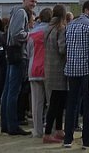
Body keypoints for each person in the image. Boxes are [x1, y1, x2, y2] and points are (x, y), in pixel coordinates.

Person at [2, 0, 37, 136]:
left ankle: (6, 124)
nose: (34, 4)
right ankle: (12, 125)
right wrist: (30, 34)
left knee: (8, 91)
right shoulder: (21, 13)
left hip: (13, 54)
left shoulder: (17, 12)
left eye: (35, 2)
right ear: (24, 0)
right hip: (18, 55)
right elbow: (17, 34)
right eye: (32, 1)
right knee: (13, 92)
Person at [64, 0, 89, 149]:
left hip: (71, 68)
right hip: (86, 68)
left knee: (71, 104)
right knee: (88, 105)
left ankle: (67, 138)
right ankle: (86, 140)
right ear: (86, 10)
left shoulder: (70, 25)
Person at [43, 5, 68, 144]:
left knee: (56, 101)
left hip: (49, 67)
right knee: (56, 103)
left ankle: (58, 129)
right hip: (59, 69)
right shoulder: (61, 28)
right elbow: (62, 49)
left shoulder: (48, 28)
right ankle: (48, 133)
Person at [28, 7, 53, 139]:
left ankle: (37, 131)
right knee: (51, 102)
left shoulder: (32, 32)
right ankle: (50, 129)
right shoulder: (52, 31)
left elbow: (28, 51)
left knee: (36, 103)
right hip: (49, 69)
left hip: (34, 68)